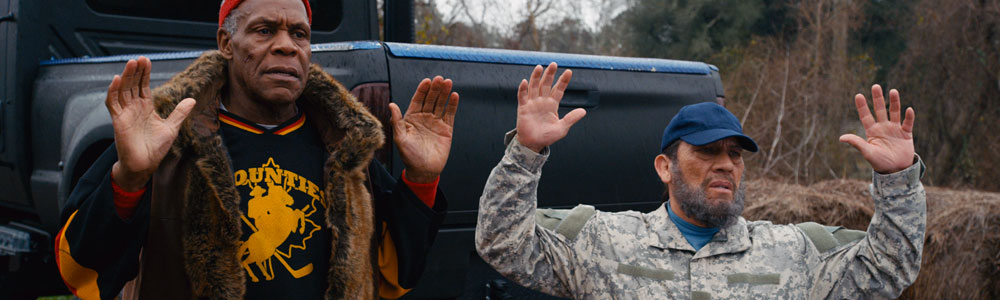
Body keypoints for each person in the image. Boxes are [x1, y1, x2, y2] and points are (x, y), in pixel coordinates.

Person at [54, 0, 457, 299]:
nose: (287, 46)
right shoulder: (168, 138)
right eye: (265, 30)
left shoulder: (344, 148)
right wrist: (131, 178)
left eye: (299, 34)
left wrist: (420, 180)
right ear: (227, 43)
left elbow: (393, 272)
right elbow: (80, 269)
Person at [475, 63, 925, 299]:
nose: (725, 164)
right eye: (707, 151)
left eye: (734, 154)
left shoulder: (792, 254)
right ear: (664, 167)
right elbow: (501, 242)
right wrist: (526, 152)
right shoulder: (603, 243)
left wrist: (898, 178)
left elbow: (890, 268)